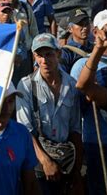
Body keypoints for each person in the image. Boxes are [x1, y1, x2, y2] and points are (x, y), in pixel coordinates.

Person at [16, 33, 83, 195]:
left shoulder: (72, 85)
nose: (44, 60)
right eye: (39, 55)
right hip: (37, 164)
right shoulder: (25, 86)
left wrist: (76, 170)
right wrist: (46, 162)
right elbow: (25, 130)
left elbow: (76, 129)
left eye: (49, 54)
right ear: (34, 57)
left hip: (66, 160)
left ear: (58, 54)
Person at [74, 10, 107, 193]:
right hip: (99, 144)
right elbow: (80, 96)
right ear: (96, 32)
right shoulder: (82, 65)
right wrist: (99, 48)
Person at [59, 8, 93, 73]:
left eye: (86, 23)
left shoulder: (94, 48)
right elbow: (62, 76)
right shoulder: (66, 53)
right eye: (80, 24)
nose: (85, 28)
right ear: (70, 29)